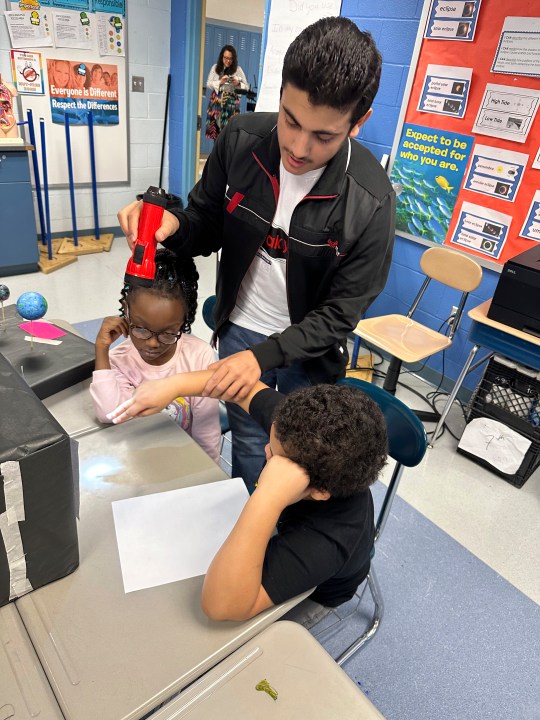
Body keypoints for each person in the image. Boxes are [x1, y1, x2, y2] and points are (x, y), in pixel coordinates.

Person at [118, 17, 395, 493]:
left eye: (324, 136)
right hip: (240, 327)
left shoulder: (370, 201)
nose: (298, 147)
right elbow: (205, 224)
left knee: (303, 464)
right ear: (281, 92)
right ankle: (251, 536)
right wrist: (174, 226)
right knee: (249, 443)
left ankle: (286, 553)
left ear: (359, 121)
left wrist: (266, 356)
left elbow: (338, 315)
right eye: (290, 120)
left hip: (308, 354)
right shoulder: (241, 140)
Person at [107, 373, 388, 620]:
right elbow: (240, 386)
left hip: (317, 593)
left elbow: (222, 607)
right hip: (285, 526)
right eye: (271, 442)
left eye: (276, 457)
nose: (266, 451)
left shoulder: (328, 539)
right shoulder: (301, 430)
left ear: (319, 491)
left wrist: (267, 498)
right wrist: (174, 385)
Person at [89, 249, 221, 464]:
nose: (152, 342)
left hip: (183, 460)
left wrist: (209, 476)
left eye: (168, 333)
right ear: (126, 311)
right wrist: (101, 349)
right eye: (140, 329)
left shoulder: (198, 355)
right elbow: (108, 413)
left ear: (183, 321)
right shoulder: (119, 359)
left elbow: (206, 430)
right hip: (139, 460)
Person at [205, 45, 248, 140]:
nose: (228, 61)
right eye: (225, 58)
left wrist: (238, 83)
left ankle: (227, 154)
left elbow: (246, 87)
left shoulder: (238, 70)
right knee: (216, 134)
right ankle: (217, 154)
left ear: (234, 59)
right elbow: (208, 83)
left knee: (229, 135)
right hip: (216, 104)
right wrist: (220, 82)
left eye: (230, 59)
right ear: (221, 57)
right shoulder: (215, 68)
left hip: (231, 106)